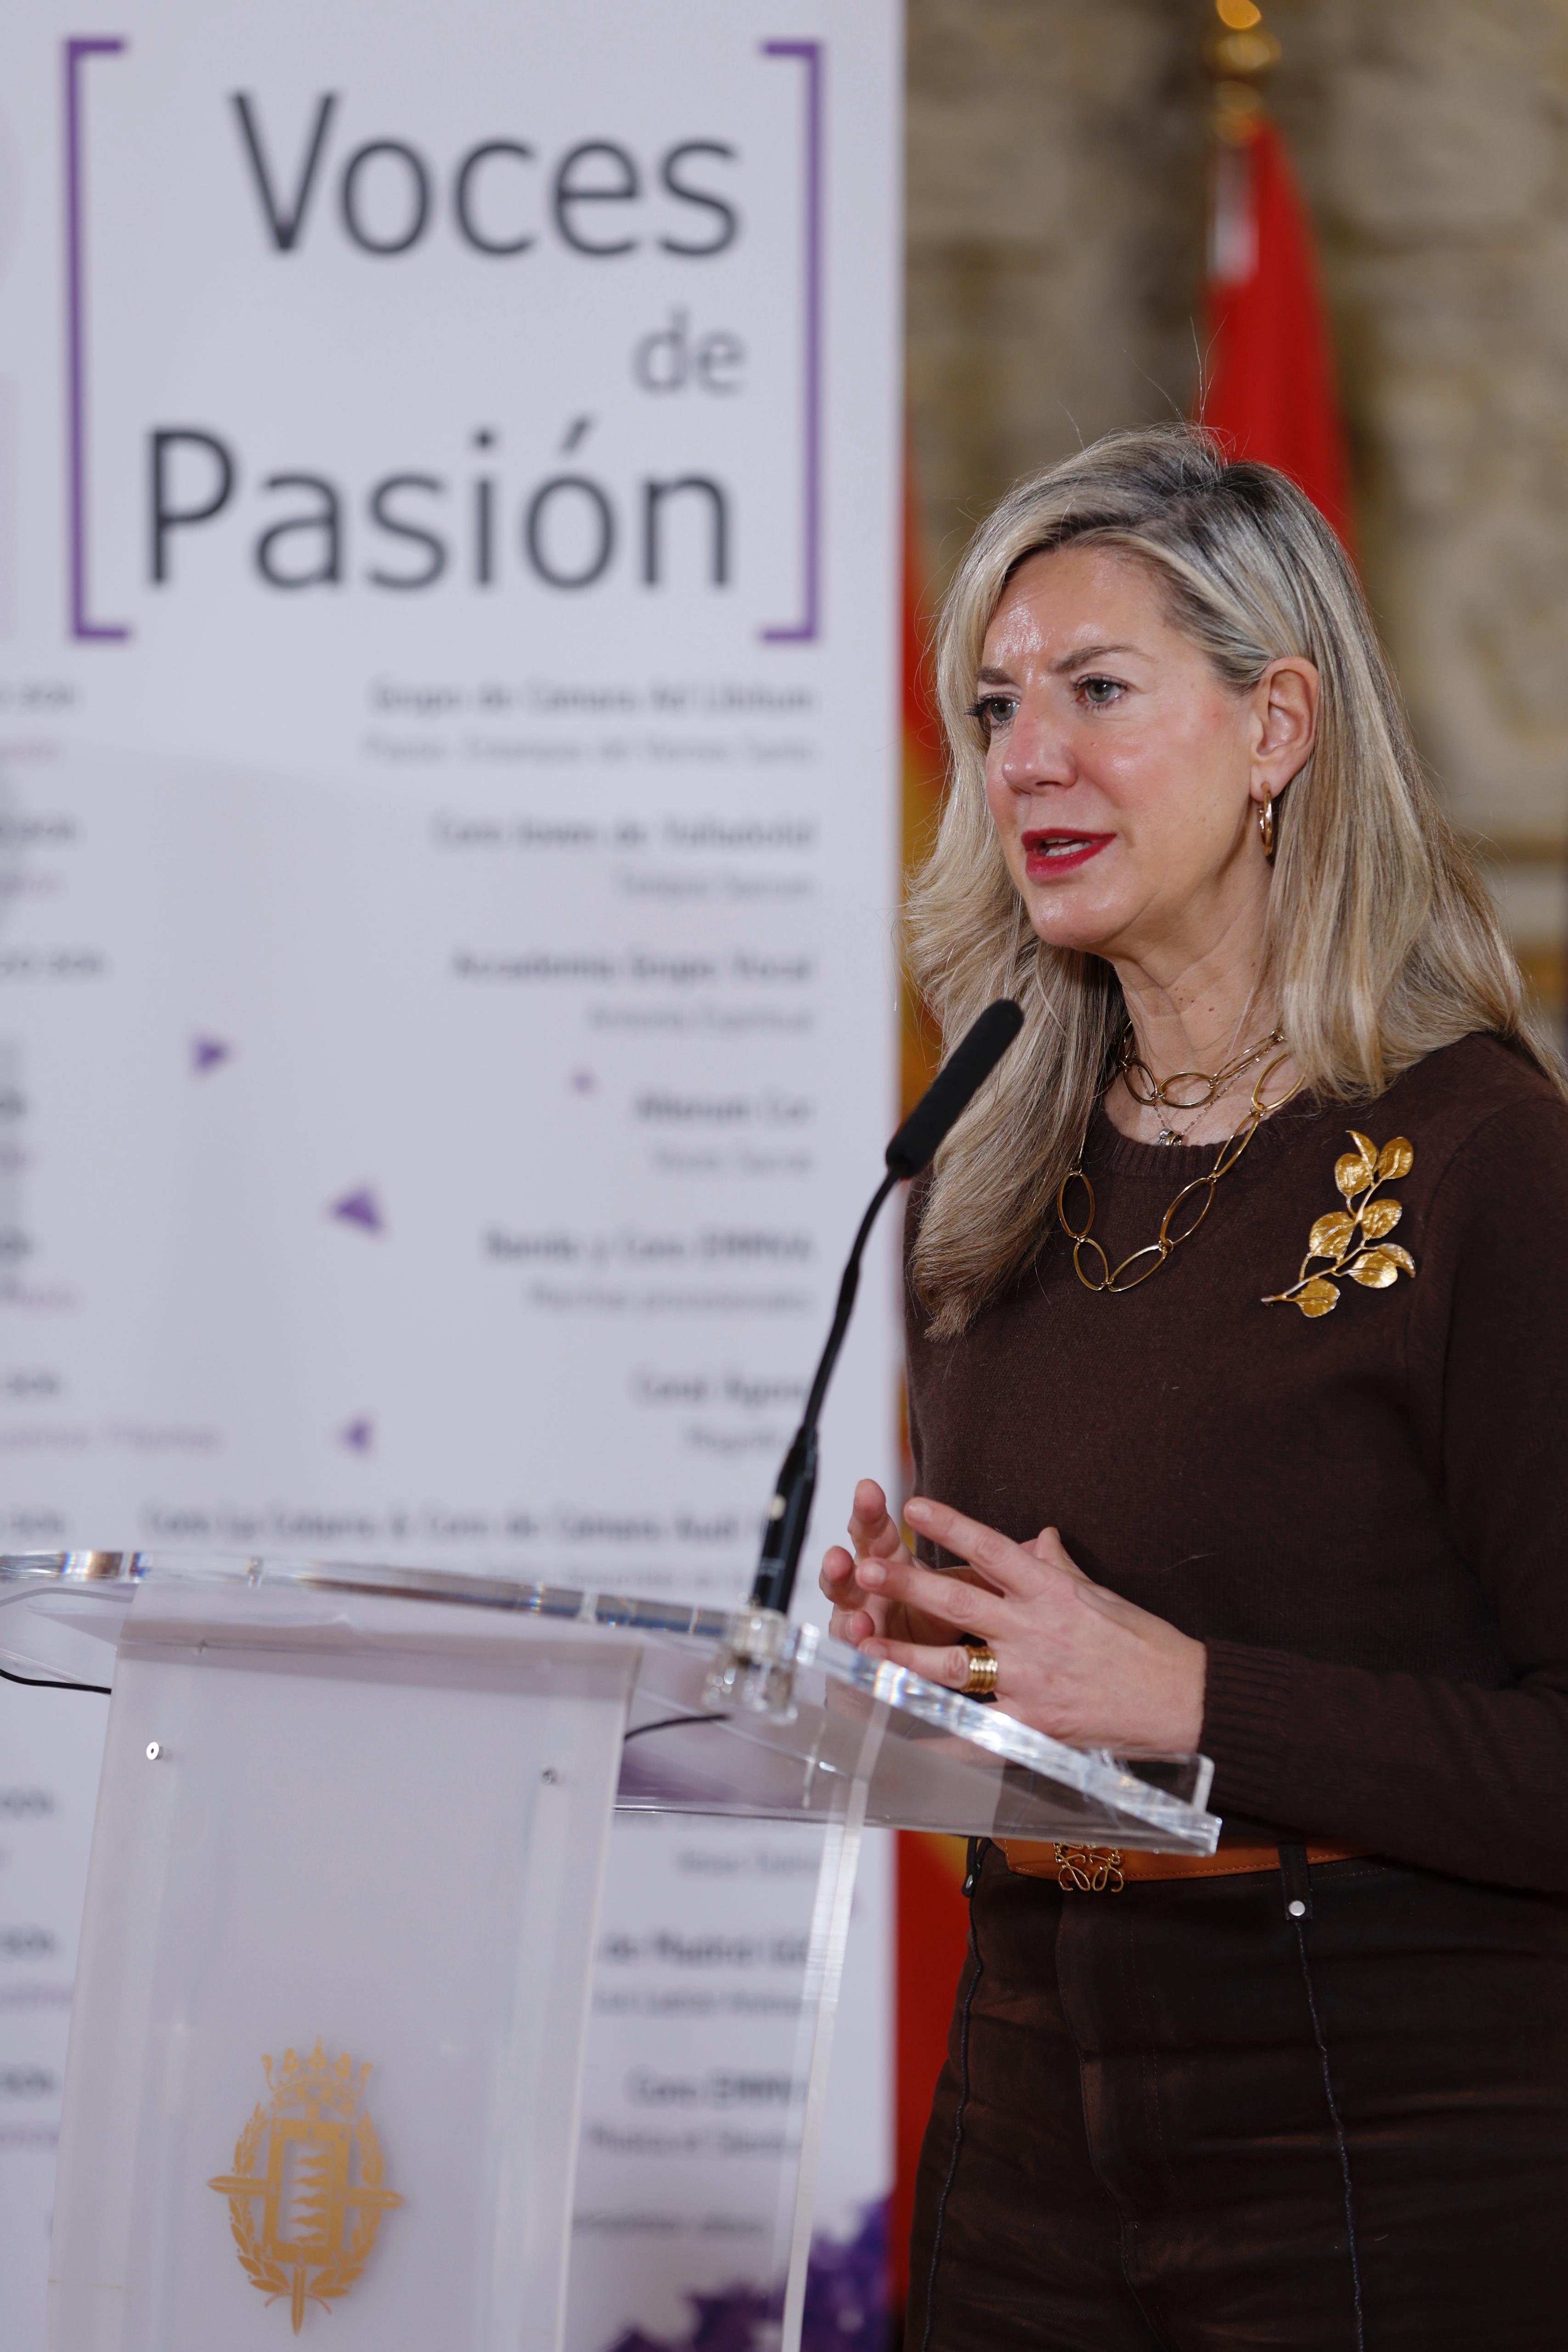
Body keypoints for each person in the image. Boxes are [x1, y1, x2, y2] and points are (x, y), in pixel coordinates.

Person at [820, 424, 1568, 2350]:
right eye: (996, 708)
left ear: (1274, 728)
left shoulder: (1479, 1161)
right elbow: (1067, 1673)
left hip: (1384, 2140)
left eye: (1095, 690)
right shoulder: (984, 1161)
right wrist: (947, 1663)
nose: (1024, 759)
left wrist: (1193, 1700)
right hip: (1027, 2128)